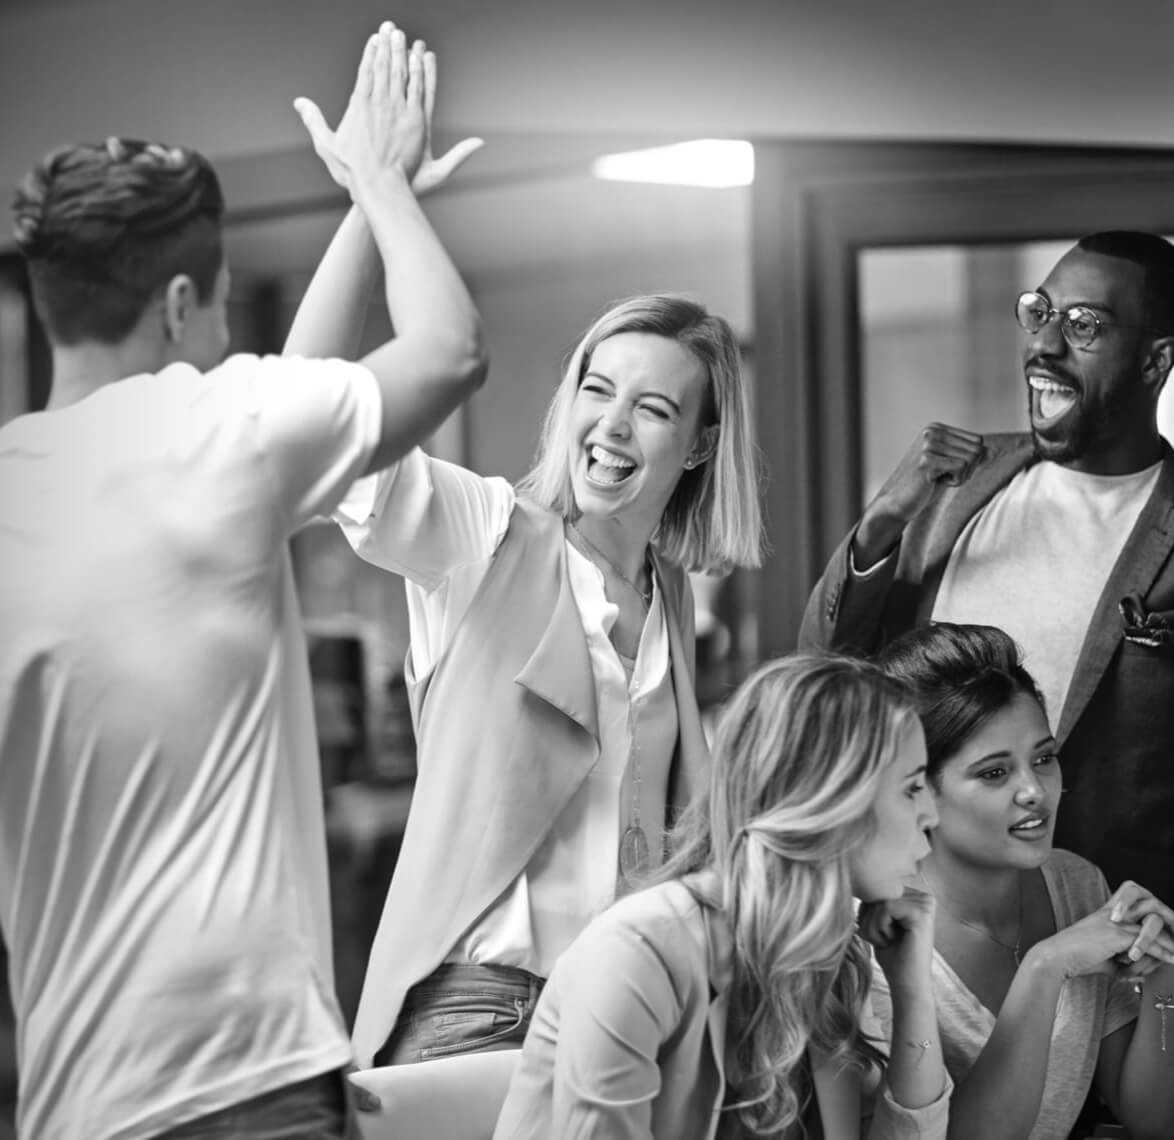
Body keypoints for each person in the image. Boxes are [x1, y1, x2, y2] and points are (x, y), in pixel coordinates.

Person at [0, 23, 485, 1140]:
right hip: (245, 1084)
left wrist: (371, 209)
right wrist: (380, 185)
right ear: (179, 305)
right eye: (218, 314)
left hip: (75, 1103)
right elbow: (449, 350)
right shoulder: (213, 436)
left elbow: (298, 392)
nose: (228, 346)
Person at [281, 236, 764, 1063]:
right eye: (597, 389)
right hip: (481, 1009)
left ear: (698, 446)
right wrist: (373, 202)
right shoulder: (484, 531)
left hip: (624, 1012)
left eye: (652, 408)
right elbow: (308, 417)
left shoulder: (670, 597)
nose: (611, 426)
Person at [800, 231, 1174, 901]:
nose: (1044, 345)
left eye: (1083, 325)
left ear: (1155, 361)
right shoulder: (954, 488)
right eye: (1039, 312)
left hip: (1117, 921)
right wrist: (883, 520)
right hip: (916, 906)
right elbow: (829, 671)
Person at [492, 653, 949, 1140]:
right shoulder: (639, 949)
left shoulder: (823, 961)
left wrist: (912, 990)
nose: (931, 815)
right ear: (830, 801)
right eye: (913, 787)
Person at [874, 622, 1174, 1140]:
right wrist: (1045, 966)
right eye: (994, 773)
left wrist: (1165, 981)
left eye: (1043, 758)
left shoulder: (1077, 884)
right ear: (916, 788)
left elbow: (1152, 1119)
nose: (1036, 790)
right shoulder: (876, 933)